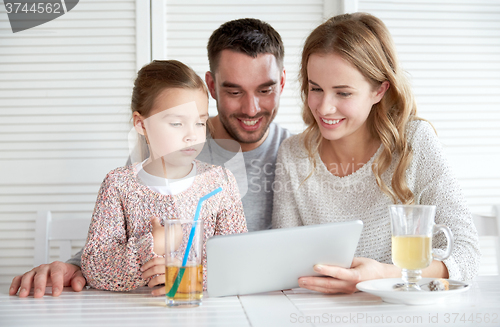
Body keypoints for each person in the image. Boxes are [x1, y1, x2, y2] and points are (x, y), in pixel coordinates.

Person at [10, 18, 290, 297]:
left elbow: (238, 261)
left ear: (282, 83)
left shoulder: (296, 155)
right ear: (212, 86)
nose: (251, 108)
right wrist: (76, 266)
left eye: (265, 90)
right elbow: (108, 247)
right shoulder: (142, 164)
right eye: (234, 91)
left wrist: (187, 276)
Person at [272, 12, 480, 294]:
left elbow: (466, 254)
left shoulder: (413, 142)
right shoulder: (293, 154)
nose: (323, 108)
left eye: (343, 93)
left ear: (379, 91)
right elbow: (282, 263)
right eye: (315, 88)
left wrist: (385, 275)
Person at [81, 59, 247, 291]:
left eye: (200, 123)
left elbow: (239, 260)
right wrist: (154, 245)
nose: (192, 135)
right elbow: (95, 267)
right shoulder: (118, 185)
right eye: (177, 123)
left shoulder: (221, 182)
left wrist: (187, 277)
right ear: (141, 124)